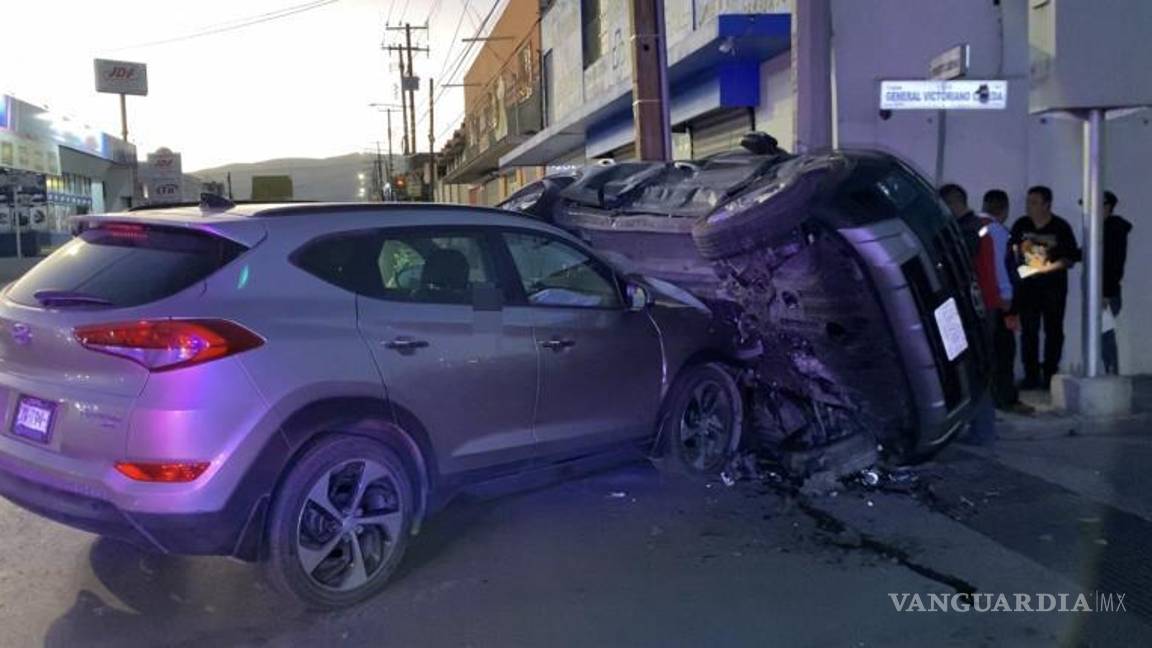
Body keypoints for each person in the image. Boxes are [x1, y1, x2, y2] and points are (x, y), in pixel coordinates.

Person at [939, 184, 998, 443]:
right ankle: (981, 428)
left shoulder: (970, 230)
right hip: (980, 305)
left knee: (975, 368)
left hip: (977, 308)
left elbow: (958, 262)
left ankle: (983, 430)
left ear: (953, 204)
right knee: (975, 367)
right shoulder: (974, 227)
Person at [1010, 186, 1081, 390]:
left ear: (1047, 204)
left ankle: (1050, 373)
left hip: (1053, 289)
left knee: (1053, 330)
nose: (1028, 206)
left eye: (1034, 202)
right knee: (1029, 332)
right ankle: (1031, 375)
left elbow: (1070, 258)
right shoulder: (1021, 224)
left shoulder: (1060, 227)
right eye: (1028, 201)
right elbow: (1013, 251)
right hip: (1027, 288)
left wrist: (1047, 268)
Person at [982, 189, 1033, 414]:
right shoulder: (1000, 232)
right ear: (1005, 209)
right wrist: (1008, 297)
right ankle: (1006, 398)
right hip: (1001, 300)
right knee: (1004, 350)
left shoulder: (976, 227)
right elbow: (1002, 267)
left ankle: (990, 398)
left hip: (983, 299)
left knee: (990, 350)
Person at [1102, 190, 1133, 374]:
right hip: (1105, 291)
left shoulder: (1112, 230)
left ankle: (1111, 372)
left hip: (1107, 292)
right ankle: (1109, 370)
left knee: (1104, 332)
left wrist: (1106, 292)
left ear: (1107, 207)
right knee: (1103, 331)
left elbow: (1115, 263)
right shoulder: (1104, 229)